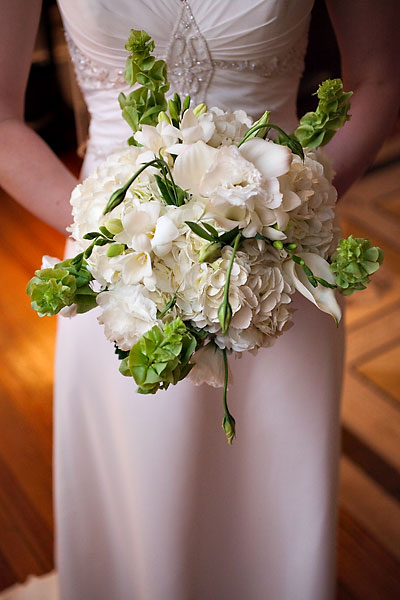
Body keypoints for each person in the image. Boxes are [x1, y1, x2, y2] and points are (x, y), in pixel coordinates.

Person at [1, 1, 399, 599]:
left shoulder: (280, 239)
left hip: (279, 275)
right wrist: (120, 235)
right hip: (118, 271)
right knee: (144, 494)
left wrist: (287, 214)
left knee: (269, 500)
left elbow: (381, 77)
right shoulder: (115, 252)